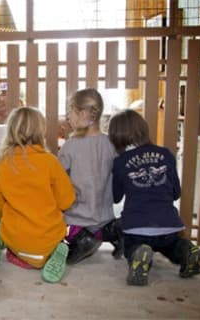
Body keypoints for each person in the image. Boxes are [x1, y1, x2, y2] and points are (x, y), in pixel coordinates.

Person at [108, 109, 200, 286]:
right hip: (168, 224)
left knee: (131, 245)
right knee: (172, 246)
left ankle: (139, 252)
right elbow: (176, 192)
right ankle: (186, 251)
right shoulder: (166, 154)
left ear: (115, 137)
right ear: (143, 129)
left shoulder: (120, 162)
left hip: (137, 226)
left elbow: (116, 197)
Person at [0, 107, 76, 283]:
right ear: (40, 131)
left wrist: (2, 218)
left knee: (9, 237)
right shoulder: (50, 161)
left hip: (16, 236)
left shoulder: (4, 163)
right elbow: (67, 201)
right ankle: (52, 252)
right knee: (55, 231)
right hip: (48, 235)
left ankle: (17, 251)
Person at [57, 88, 123, 264]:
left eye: (69, 111)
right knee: (100, 226)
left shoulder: (70, 146)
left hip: (77, 217)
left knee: (56, 232)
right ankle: (111, 231)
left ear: (82, 113)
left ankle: (82, 239)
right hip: (104, 216)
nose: (67, 116)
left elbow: (57, 178)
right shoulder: (110, 143)